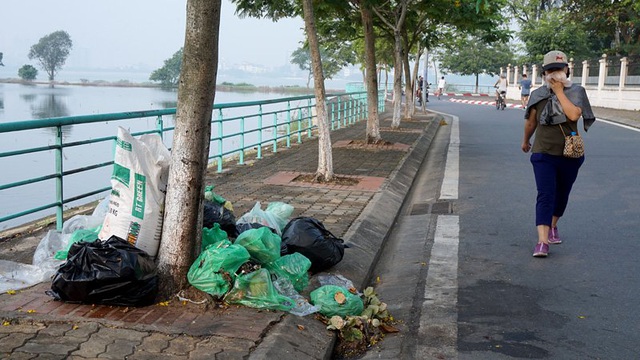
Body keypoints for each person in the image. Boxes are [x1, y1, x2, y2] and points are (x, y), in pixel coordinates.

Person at [521, 50, 596, 257]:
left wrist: (559, 92)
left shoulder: (577, 92)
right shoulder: (537, 94)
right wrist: (526, 140)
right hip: (543, 152)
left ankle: (553, 225)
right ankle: (542, 241)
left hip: (570, 154)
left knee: (562, 193)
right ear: (544, 74)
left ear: (567, 70)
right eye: (550, 70)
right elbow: (531, 122)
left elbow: (572, 115)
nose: (554, 74)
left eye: (558, 69)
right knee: (545, 194)